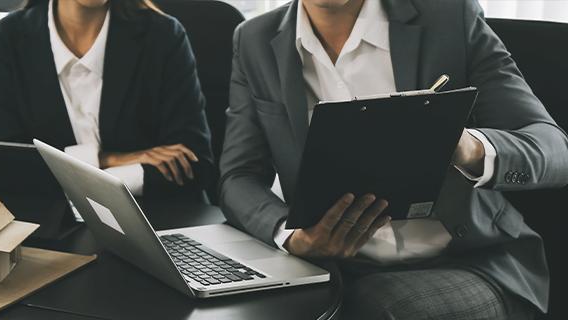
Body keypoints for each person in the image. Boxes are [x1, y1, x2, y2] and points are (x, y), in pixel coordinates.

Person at [221, 0, 567, 318]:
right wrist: (290, 235)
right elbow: (238, 175)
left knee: (370, 308)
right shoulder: (254, 39)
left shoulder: (451, 17)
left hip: (467, 262)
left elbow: (554, 149)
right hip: (333, 269)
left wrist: (468, 147)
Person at [0, 0, 216, 200]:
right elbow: (5, 166)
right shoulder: (9, 37)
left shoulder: (163, 36)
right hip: (51, 227)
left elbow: (194, 165)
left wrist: (74, 176)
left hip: (158, 221)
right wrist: (106, 159)